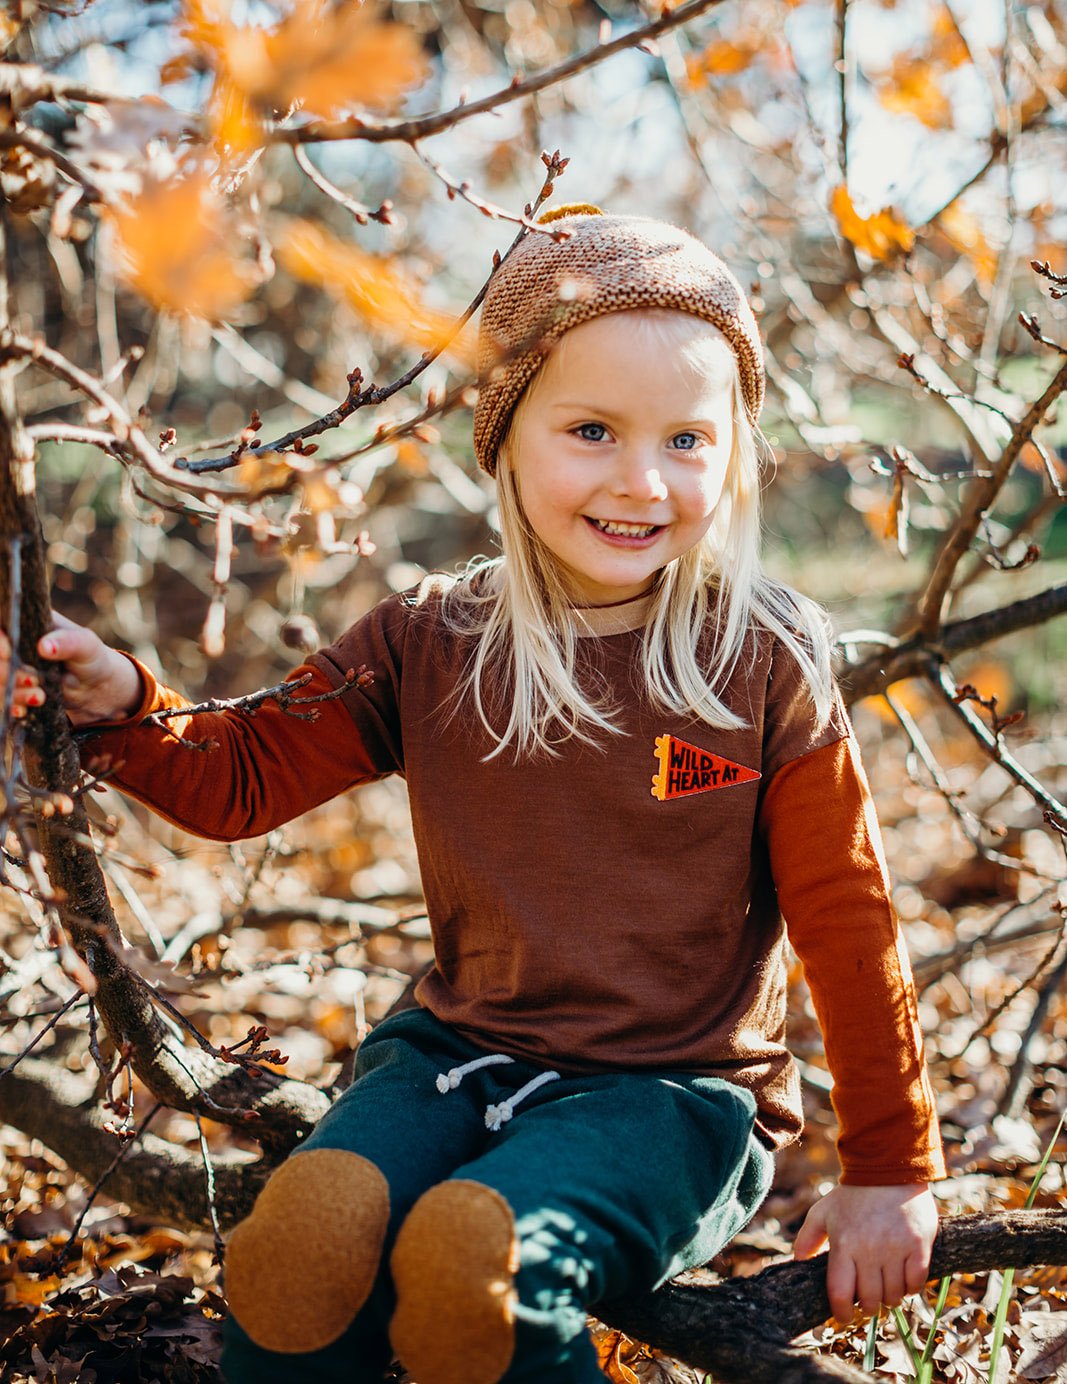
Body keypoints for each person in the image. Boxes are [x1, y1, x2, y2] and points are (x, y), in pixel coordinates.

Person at [4, 207, 944, 1384]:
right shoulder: (432, 640)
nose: (640, 480)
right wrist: (125, 704)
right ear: (502, 437)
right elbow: (240, 775)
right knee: (296, 1247)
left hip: (675, 1093)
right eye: (591, 429)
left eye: (687, 439)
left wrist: (891, 1167)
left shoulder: (758, 654)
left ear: (734, 450)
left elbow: (845, 916)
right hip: (452, 1057)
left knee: (474, 1257)